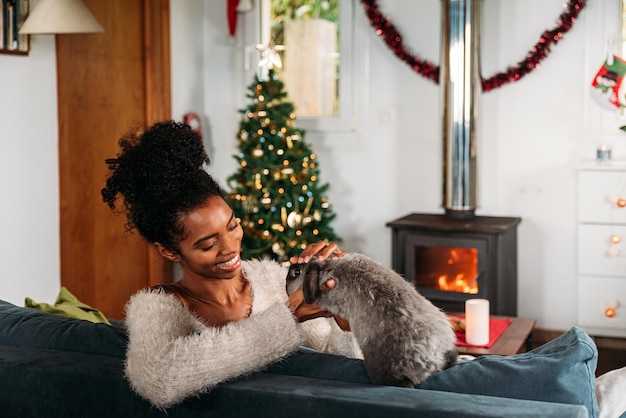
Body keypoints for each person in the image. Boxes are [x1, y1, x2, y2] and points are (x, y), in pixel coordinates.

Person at [101, 120, 361, 409]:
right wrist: (287, 316)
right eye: (207, 244)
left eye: (232, 225)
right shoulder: (158, 305)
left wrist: (344, 313)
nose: (230, 247)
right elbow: (159, 380)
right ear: (169, 251)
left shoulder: (275, 281)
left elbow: (344, 368)